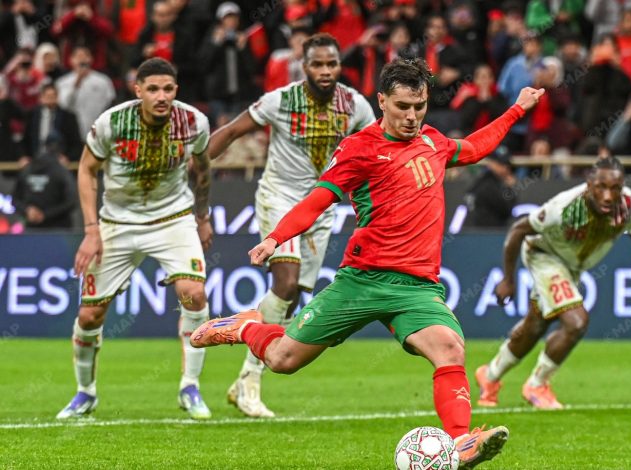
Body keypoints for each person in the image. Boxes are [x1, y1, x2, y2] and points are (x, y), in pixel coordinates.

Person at [191, 57, 546, 469]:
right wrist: (275, 237)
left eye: (419, 107)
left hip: (417, 288)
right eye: (402, 107)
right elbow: (316, 201)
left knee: (450, 348)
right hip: (361, 282)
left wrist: (517, 108)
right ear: (382, 101)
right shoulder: (358, 149)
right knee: (283, 361)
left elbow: (477, 147)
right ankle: (245, 326)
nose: (411, 116)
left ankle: (460, 442)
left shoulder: (433, 142)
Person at [206, 32, 375, 418]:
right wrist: (193, 169)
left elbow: (377, 144)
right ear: (304, 66)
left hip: (321, 205)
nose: (326, 71)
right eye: (318, 64)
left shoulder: (355, 104)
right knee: (285, 282)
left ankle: (243, 378)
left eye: (332, 63)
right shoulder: (279, 100)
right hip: (279, 198)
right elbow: (231, 132)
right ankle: (250, 380)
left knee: (294, 294)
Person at [56, 58, 214, 420]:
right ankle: (85, 392)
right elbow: (86, 170)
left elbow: (204, 169)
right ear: (137, 90)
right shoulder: (111, 123)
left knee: (193, 293)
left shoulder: (193, 122)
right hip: (117, 222)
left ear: (176, 90)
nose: (161, 97)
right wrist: (91, 230)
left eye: (168, 89)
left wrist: (203, 216)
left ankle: (190, 386)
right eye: (153, 89)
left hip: (173, 219)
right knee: (90, 314)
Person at [475, 157, 631, 410]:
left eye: (615, 188)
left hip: (573, 266)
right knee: (576, 322)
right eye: (601, 187)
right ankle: (537, 385)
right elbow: (518, 230)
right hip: (544, 256)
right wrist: (508, 279)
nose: (608, 196)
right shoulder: (563, 207)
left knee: (535, 327)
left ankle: (490, 375)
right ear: (589, 185)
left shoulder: (630, 205)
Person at [13, 133, 78, 229]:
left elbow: (15, 200)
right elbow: (71, 201)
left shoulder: (28, 168)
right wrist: (45, 214)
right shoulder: (62, 171)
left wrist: (28, 210)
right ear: (62, 149)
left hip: (32, 229)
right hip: (59, 229)